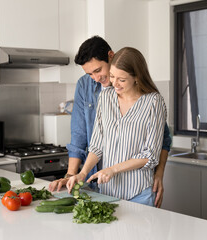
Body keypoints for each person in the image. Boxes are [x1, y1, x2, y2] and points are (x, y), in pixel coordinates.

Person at [48, 36, 171, 207]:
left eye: (98, 71)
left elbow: (154, 149)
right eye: (112, 77)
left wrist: (158, 173)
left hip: (138, 191)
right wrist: (78, 174)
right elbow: (90, 141)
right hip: (105, 190)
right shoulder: (102, 94)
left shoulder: (153, 102)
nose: (97, 79)